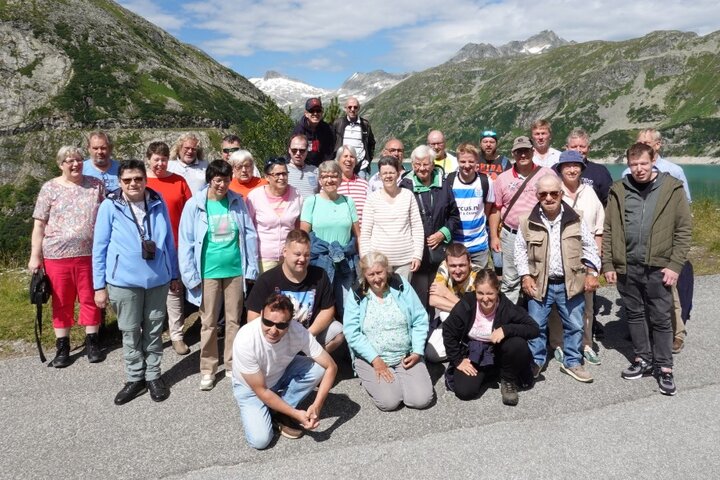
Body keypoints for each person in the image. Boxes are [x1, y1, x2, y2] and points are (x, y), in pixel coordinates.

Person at [603, 142, 691, 396]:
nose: (639, 169)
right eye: (633, 165)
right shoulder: (619, 190)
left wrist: (675, 265)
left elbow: (684, 230)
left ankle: (664, 367)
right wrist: (609, 263)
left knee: (661, 317)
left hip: (659, 266)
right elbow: (609, 230)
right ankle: (643, 358)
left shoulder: (671, 188)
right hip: (628, 264)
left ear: (653, 160)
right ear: (627, 165)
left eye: (643, 163)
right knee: (635, 313)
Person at [93, 160, 179, 405]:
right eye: (128, 180)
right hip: (123, 280)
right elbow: (99, 248)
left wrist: (173, 274)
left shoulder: (157, 201)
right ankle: (134, 378)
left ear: (145, 180)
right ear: (120, 182)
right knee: (130, 331)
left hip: (158, 279)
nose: (133, 184)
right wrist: (99, 286)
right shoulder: (110, 206)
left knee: (153, 330)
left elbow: (168, 240)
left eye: (138, 179)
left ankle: (153, 375)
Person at [178, 160, 259, 390]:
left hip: (234, 270)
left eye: (225, 180)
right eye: (217, 180)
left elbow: (249, 235)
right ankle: (208, 368)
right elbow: (185, 243)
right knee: (209, 322)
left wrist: (251, 269)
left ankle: (232, 364)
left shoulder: (237, 201)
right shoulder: (195, 205)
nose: (222, 184)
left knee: (234, 321)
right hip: (208, 272)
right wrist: (190, 276)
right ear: (210, 180)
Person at [514, 174, 601, 384]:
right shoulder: (527, 221)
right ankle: (535, 361)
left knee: (574, 325)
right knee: (536, 326)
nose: (549, 198)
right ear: (537, 196)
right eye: (544, 194)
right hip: (539, 284)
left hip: (570, 283)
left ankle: (572, 362)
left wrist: (592, 273)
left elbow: (590, 248)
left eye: (554, 193)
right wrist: (525, 276)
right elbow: (519, 251)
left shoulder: (576, 218)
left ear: (561, 194)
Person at [29, 146, 106, 368]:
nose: (75, 164)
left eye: (79, 160)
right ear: (60, 164)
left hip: (89, 254)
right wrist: (35, 256)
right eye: (70, 161)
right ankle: (62, 346)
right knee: (61, 301)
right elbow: (39, 224)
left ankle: (92, 342)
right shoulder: (49, 188)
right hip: (56, 255)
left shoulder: (95, 185)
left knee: (89, 298)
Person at [232, 293, 337, 449]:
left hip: (279, 372)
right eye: (267, 322)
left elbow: (331, 366)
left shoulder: (298, 331)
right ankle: (279, 410)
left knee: (319, 367)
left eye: (281, 325)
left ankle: (280, 408)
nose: (273, 330)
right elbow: (261, 391)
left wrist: (317, 405)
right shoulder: (245, 339)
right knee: (260, 441)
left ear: (291, 322)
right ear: (261, 314)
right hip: (251, 389)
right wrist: (295, 414)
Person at [625, 128, 693, 353]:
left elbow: (684, 209)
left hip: (665, 244)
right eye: (639, 142)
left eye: (647, 142)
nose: (643, 145)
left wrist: (675, 249)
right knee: (641, 290)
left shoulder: (674, 171)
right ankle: (644, 331)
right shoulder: (629, 171)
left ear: (658, 145)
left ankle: (677, 333)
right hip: (638, 245)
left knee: (668, 291)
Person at [343, 252, 433, 411]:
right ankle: (373, 375)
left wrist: (418, 351)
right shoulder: (356, 293)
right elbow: (352, 332)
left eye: (380, 272)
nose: (376, 278)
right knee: (389, 402)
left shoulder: (400, 284)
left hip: (404, 355)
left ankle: (401, 377)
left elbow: (419, 317)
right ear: (364, 275)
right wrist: (375, 359)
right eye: (371, 274)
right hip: (372, 359)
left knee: (421, 400)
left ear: (387, 270)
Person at [443, 269, 539, 405]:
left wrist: (506, 329)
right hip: (474, 353)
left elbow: (534, 329)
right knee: (465, 392)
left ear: (497, 291)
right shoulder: (467, 304)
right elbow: (448, 330)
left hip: (499, 352)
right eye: (480, 293)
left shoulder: (506, 307)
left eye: (490, 293)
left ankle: (508, 378)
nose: (485, 298)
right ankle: (490, 373)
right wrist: (458, 360)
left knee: (517, 343)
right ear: (475, 290)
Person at [245, 230, 344, 353]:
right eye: (297, 254)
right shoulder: (267, 279)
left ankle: (308, 363)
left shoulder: (320, 275)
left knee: (337, 331)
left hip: (307, 334)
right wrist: (274, 335)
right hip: (276, 336)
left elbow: (328, 309)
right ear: (285, 252)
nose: (302, 259)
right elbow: (253, 316)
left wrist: (307, 335)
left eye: (307, 255)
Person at [488, 136, 555, 304]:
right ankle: (509, 317)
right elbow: (496, 208)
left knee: (539, 274)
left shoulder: (547, 173)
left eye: (526, 151)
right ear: (513, 154)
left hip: (540, 234)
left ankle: (536, 317)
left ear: (532, 151)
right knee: (510, 279)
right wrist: (495, 236)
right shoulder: (502, 179)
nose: (523, 155)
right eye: (519, 152)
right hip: (511, 234)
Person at [555, 150, 604, 365]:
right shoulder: (554, 193)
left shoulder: (590, 193)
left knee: (587, 305)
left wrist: (595, 267)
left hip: (585, 259)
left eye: (576, 166)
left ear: (582, 169)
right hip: (559, 257)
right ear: (560, 170)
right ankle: (558, 343)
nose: (572, 169)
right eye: (567, 166)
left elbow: (599, 230)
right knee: (558, 304)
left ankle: (586, 344)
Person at [144, 141, 193, 355]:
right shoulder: (142, 182)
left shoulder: (178, 181)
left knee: (174, 291)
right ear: (148, 159)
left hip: (175, 244)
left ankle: (177, 335)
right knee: (149, 291)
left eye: (164, 160)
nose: (160, 164)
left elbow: (190, 211)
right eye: (156, 160)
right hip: (148, 247)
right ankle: (148, 334)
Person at [400, 145, 460, 311]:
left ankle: (438, 332)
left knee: (439, 296)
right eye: (417, 164)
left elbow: (455, 216)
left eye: (426, 164)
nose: (422, 168)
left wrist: (442, 233)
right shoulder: (405, 187)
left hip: (440, 251)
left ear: (433, 164)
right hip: (415, 254)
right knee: (418, 298)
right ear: (412, 165)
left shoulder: (444, 185)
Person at [300, 161, 360, 320]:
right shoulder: (311, 202)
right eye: (325, 176)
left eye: (334, 176)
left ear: (340, 179)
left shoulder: (348, 202)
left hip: (345, 263)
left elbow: (358, 235)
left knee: (349, 309)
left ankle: (349, 343)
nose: (329, 180)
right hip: (319, 263)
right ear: (319, 180)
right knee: (319, 307)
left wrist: (364, 260)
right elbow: (303, 235)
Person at [360, 156, 423, 280]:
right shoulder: (372, 199)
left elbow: (417, 228)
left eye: (391, 173)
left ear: (398, 173)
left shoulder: (408, 195)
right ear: (379, 175)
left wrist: (417, 255)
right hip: (378, 264)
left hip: (405, 261)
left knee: (402, 297)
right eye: (385, 173)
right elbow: (365, 233)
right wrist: (367, 259)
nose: (388, 176)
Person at [246, 157, 303, 274]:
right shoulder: (255, 196)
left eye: (284, 173)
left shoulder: (296, 195)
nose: (282, 178)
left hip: (289, 257)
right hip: (264, 258)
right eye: (277, 174)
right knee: (267, 292)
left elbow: (298, 225)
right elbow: (248, 227)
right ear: (267, 177)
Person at [426, 243, 478, 362]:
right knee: (431, 355)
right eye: (453, 266)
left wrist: (447, 294)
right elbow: (433, 300)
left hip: (474, 324)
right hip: (454, 321)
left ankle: (468, 347)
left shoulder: (478, 275)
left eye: (462, 265)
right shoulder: (444, 267)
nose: (457, 270)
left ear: (469, 262)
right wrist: (463, 308)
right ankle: (462, 347)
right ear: (447, 263)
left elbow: (475, 312)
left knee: (445, 314)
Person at [446, 143, 494, 269]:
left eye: (471, 161)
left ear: (477, 161)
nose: (467, 165)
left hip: (479, 245)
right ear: (457, 161)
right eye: (463, 161)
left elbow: (487, 208)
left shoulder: (485, 181)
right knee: (457, 282)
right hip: (456, 245)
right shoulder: (450, 181)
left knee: (479, 282)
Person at [565, 128, 613, 207]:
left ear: (589, 148)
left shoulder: (600, 171)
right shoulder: (556, 170)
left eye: (582, 146)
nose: (578, 150)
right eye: (574, 146)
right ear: (567, 148)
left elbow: (609, 202)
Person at [332, 96, 376, 178]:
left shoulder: (365, 124)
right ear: (345, 108)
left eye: (355, 107)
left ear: (358, 108)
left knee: (361, 190)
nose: (352, 109)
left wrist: (368, 159)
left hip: (361, 167)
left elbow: (371, 143)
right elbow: (331, 143)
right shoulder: (338, 123)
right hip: (341, 166)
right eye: (350, 107)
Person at [292, 97, 334, 167]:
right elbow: (294, 152)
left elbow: (328, 153)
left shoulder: (327, 129)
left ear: (322, 112)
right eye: (312, 110)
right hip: (302, 166)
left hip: (321, 168)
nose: (315, 113)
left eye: (318, 110)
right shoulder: (299, 130)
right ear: (306, 113)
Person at [336, 145, 369, 225]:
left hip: (361, 233)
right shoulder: (331, 184)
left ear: (355, 161)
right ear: (338, 160)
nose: (348, 159)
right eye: (345, 156)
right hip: (340, 234)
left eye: (352, 157)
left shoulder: (364, 185)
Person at [286, 134, 319, 200]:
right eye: (294, 150)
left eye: (302, 150)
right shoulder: (282, 171)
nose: (298, 153)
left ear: (307, 151)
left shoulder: (316, 171)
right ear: (289, 150)